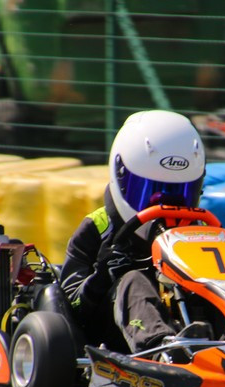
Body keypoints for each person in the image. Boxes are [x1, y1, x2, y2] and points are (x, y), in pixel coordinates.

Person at [59, 110, 211, 354]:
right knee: (133, 280)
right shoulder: (97, 228)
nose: (166, 207)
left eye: (180, 193)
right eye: (152, 193)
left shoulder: (198, 232)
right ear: (122, 179)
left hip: (187, 326)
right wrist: (102, 276)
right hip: (109, 333)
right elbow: (70, 306)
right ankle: (161, 348)